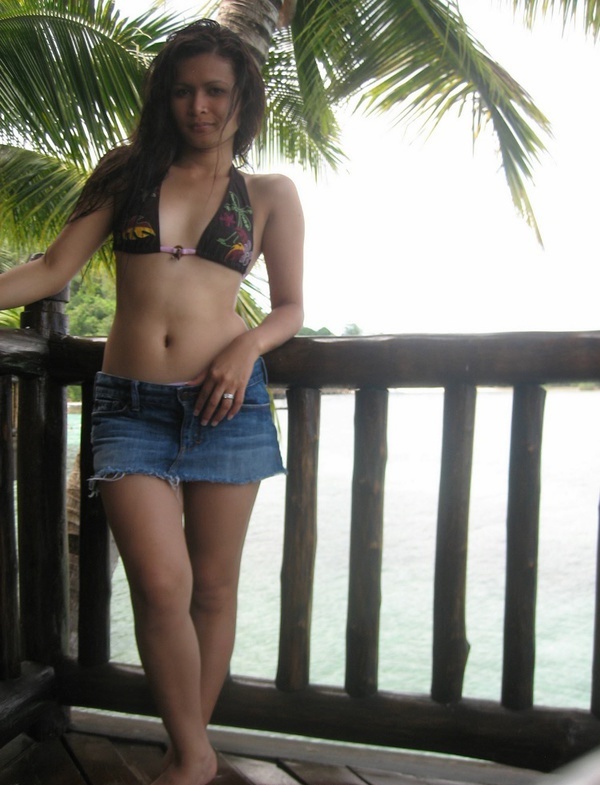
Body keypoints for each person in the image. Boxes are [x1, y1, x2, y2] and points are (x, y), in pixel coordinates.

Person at [0, 19, 304, 785]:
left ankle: (185, 753)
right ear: (164, 97)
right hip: (130, 404)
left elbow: (291, 308)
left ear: (243, 99)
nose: (199, 106)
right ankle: (196, 757)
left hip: (225, 403)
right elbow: (52, 267)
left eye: (215, 91)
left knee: (214, 587)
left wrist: (247, 345)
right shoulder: (127, 173)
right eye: (183, 90)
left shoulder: (269, 194)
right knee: (162, 583)